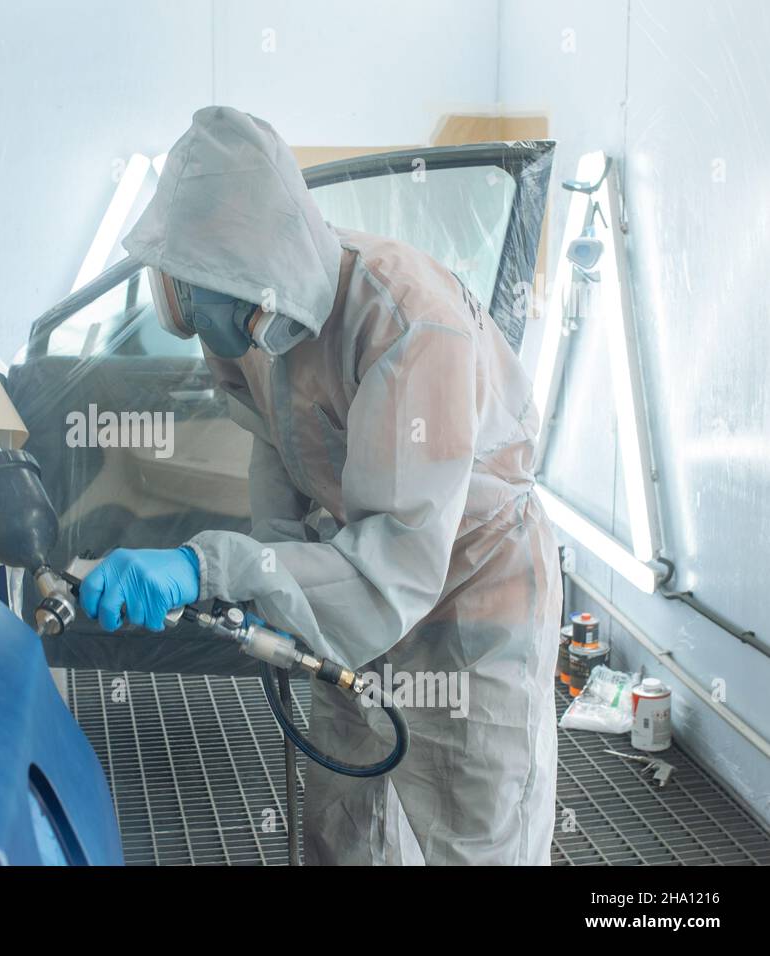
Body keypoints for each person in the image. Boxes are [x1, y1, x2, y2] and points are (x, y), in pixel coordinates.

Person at [78, 106, 561, 865]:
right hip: (348, 568)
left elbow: (394, 568)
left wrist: (208, 567)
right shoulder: (254, 322)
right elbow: (275, 447)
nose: (188, 307)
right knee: (344, 824)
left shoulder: (408, 325)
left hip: (470, 586)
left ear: (256, 260)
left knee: (475, 826)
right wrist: (274, 582)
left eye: (196, 282)